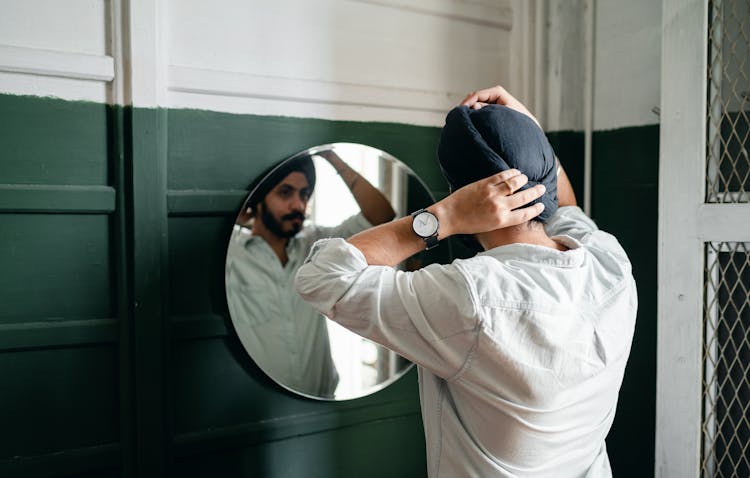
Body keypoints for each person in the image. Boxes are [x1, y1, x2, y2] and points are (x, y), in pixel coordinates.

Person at [295, 86, 637, 476]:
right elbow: (568, 209)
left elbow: (321, 277)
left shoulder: (471, 297)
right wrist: (529, 134)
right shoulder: (609, 263)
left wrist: (445, 216)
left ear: (462, 193)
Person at [226, 150, 395, 397]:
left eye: (304, 194)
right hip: (258, 404)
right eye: (286, 193)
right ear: (259, 200)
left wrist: (332, 158)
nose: (299, 205)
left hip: (322, 403)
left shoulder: (317, 244)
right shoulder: (233, 254)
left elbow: (381, 216)